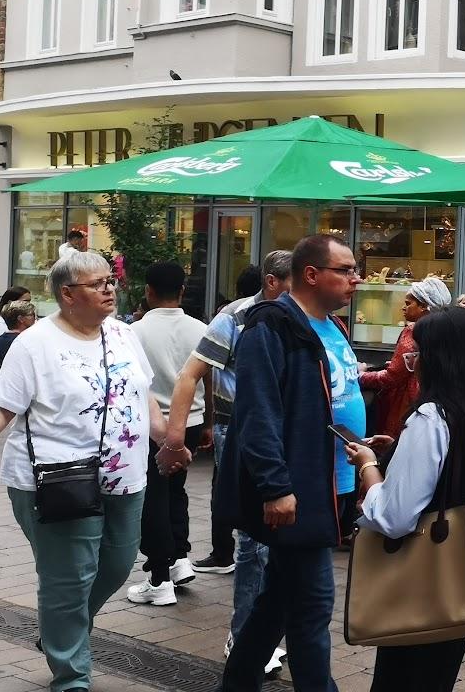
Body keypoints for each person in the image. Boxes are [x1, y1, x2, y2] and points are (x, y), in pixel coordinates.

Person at [0, 252, 165, 692]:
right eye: (98, 284)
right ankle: (72, 677)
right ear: (68, 294)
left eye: (111, 281)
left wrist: (168, 437)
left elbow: (142, 392)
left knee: (116, 564)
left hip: (125, 477)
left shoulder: (124, 334)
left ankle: (60, 629)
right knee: (69, 578)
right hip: (56, 482)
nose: (110, 289)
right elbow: (2, 411)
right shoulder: (33, 344)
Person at [209, 234, 360, 692]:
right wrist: (276, 486)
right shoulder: (270, 328)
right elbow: (258, 414)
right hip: (300, 488)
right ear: (311, 274)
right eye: (346, 270)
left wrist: (360, 437)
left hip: (333, 479)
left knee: (277, 600)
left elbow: (327, 398)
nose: (356, 279)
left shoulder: (332, 326)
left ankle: (236, 683)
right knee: (313, 607)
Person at [345, 306, 465, 691]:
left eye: (418, 353)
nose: (413, 361)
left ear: (441, 359)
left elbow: (395, 515)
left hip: (420, 584)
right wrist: (403, 449)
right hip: (461, 576)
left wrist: (370, 467)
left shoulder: (431, 418)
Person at [163, 250, 291, 668]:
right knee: (253, 539)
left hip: (289, 439)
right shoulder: (235, 317)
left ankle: (271, 631)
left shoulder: (306, 316)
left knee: (283, 543)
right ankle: (245, 637)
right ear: (272, 282)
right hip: (240, 432)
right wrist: (176, 436)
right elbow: (191, 374)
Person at [126, 262, 208, 606]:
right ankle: (179, 558)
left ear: (148, 291)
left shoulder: (134, 332)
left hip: (150, 425)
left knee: (153, 497)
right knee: (176, 490)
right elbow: (211, 379)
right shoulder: (202, 328)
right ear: (183, 291)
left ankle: (158, 577)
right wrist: (208, 423)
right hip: (190, 422)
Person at [359, 277, 451, 440]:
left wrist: (361, 376)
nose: (403, 307)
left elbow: (392, 377)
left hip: (407, 401)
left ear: (424, 306)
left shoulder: (412, 332)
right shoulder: (447, 328)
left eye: (408, 303)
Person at [0, 301, 37, 370]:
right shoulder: (21, 341)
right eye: (31, 315)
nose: (35, 318)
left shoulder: (2, 339)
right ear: (21, 319)